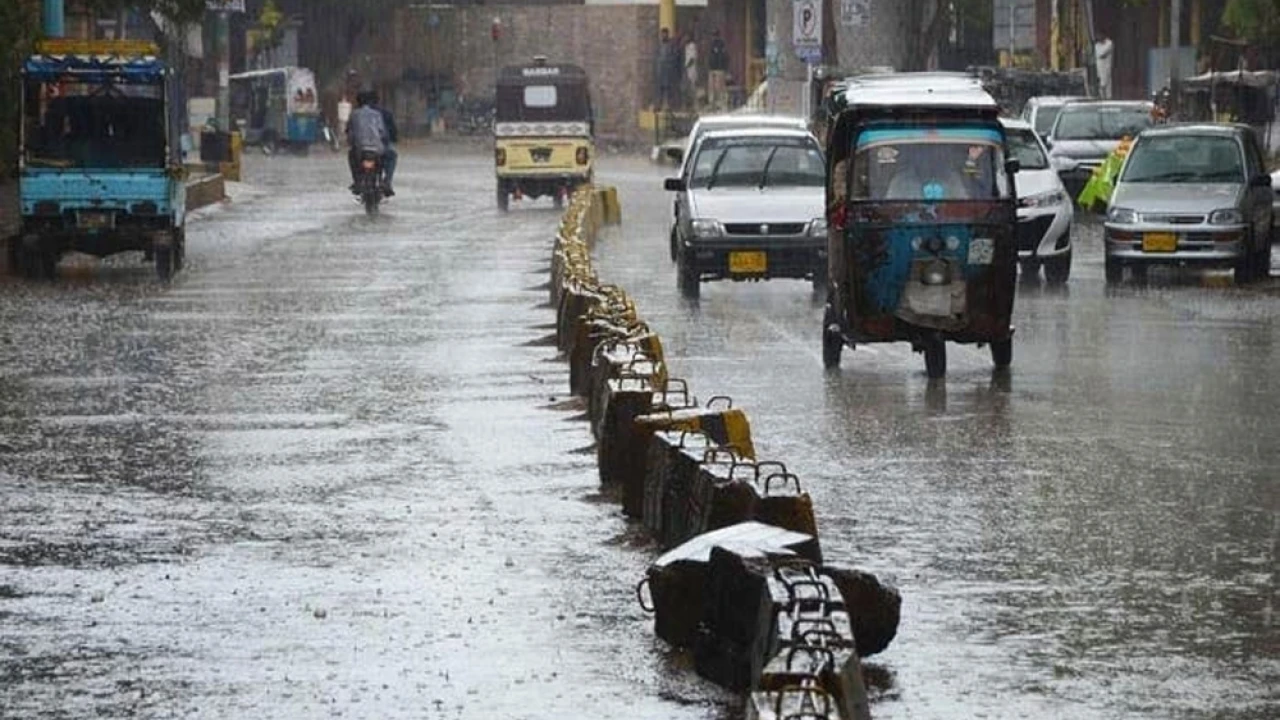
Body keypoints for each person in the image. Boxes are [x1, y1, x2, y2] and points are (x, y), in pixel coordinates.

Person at [346, 90, 389, 194]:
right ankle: (384, 181)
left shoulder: (354, 114)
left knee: (351, 156)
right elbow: (383, 132)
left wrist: (352, 141)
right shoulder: (377, 114)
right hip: (377, 149)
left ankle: (357, 181)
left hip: (360, 150)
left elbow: (350, 132)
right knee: (386, 157)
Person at [368, 92, 399, 195]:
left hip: (362, 148)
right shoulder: (385, 113)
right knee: (392, 156)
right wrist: (394, 138)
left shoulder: (357, 114)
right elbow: (392, 131)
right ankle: (387, 181)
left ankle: (358, 181)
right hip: (381, 147)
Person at [655, 28, 680, 110]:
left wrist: (670, 65)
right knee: (660, 89)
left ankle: (668, 105)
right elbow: (657, 57)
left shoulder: (671, 45)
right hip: (661, 70)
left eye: (665, 34)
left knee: (668, 89)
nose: (663, 36)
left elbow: (674, 56)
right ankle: (659, 105)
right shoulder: (659, 45)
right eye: (662, 34)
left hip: (668, 70)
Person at [707, 29, 729, 111]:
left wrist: (724, 67)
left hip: (719, 68)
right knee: (712, 87)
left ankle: (720, 103)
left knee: (719, 87)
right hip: (712, 68)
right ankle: (712, 103)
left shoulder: (721, 44)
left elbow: (724, 56)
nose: (714, 37)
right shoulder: (711, 44)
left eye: (715, 35)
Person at [1095, 33, 1114, 100]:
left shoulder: (1109, 43)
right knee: (1100, 84)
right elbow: (1097, 54)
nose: (1098, 37)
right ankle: (1102, 98)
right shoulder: (1097, 45)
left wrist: (1098, 55)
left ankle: (1108, 99)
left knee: (1106, 84)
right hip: (1098, 67)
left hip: (1106, 67)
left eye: (1100, 36)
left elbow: (1102, 54)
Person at [683, 32, 699, 109]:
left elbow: (692, 59)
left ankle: (695, 104)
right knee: (687, 88)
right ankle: (689, 104)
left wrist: (686, 67)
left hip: (691, 69)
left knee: (692, 87)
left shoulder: (692, 46)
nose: (685, 38)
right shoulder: (686, 46)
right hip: (687, 70)